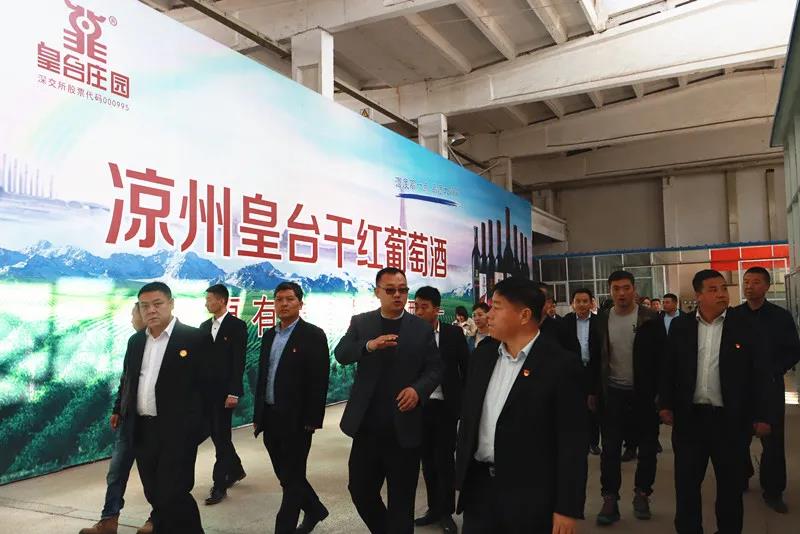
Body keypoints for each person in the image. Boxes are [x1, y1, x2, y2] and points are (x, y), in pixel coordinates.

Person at [455, 277, 587, 533]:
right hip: (480, 490)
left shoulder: (560, 365)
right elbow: (470, 418)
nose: (488, 316)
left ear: (524, 315)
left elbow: (572, 443)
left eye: (497, 307)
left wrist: (567, 507)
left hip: (531, 495)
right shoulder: (482, 356)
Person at [659, 269, 774, 534]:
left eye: (724, 288)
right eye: (713, 289)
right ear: (698, 295)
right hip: (690, 420)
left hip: (730, 421)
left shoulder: (745, 326)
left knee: (731, 490)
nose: (722, 294)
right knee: (686, 487)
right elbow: (668, 368)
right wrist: (664, 404)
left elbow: (761, 374)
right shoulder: (681, 327)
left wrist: (763, 415)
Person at [334, 267, 442, 534]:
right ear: (377, 292)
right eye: (391, 290)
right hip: (367, 427)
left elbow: (435, 369)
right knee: (360, 490)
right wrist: (369, 346)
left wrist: (417, 390)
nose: (398, 295)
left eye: (403, 290)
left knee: (402, 501)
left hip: (404, 428)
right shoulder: (362, 322)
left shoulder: (420, 328)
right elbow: (342, 353)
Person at [116, 282, 210, 534]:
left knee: (173, 492)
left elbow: (209, 390)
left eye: (157, 304)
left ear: (171, 304)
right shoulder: (136, 341)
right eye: (144, 306)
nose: (151, 310)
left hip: (178, 432)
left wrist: (195, 431)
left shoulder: (194, 339)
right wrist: (121, 412)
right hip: (143, 430)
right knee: (155, 494)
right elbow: (127, 381)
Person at [253, 281, 331, 534]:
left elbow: (319, 380)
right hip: (270, 416)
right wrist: (258, 415)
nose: (284, 304)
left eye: (289, 299)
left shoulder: (313, 335)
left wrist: (313, 419)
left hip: (297, 420)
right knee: (285, 475)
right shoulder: (269, 335)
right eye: (279, 300)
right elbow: (263, 376)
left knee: (293, 478)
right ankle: (315, 509)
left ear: (300, 303)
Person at [594, 271, 665, 525]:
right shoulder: (602, 320)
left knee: (647, 448)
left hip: (644, 395)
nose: (621, 293)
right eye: (616, 288)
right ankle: (610, 499)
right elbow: (596, 359)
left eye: (626, 288)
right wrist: (593, 392)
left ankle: (642, 494)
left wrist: (662, 395)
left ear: (634, 289)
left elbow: (663, 358)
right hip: (612, 394)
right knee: (610, 450)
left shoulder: (650, 318)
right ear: (610, 291)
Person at [80, 304, 154, 534]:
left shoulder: (173, 342)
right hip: (129, 421)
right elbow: (126, 378)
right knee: (116, 472)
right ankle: (109, 519)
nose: (132, 319)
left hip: (154, 423)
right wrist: (117, 409)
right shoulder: (135, 341)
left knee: (153, 475)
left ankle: (158, 518)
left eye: (133, 314)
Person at [739, 266, 800, 513]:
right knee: (736, 436)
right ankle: (741, 476)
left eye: (755, 282)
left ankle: (773, 491)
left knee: (772, 441)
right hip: (740, 386)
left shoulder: (779, 316)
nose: (749, 286)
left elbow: (793, 350)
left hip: (769, 386)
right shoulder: (734, 316)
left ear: (766, 286)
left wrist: (774, 370)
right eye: (746, 281)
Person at [413, 286, 469, 534]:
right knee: (426, 460)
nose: (419, 312)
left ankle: (446, 512)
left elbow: (466, 368)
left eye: (424, 307)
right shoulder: (411, 335)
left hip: (446, 405)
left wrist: (465, 403)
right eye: (416, 307)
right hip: (420, 406)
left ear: (437, 309)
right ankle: (433, 509)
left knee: (444, 460)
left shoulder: (453, 334)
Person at [199, 284, 248, 505]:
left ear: (221, 300)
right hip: (206, 393)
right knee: (218, 435)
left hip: (225, 393)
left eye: (209, 299)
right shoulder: (203, 327)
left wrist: (234, 392)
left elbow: (238, 362)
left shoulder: (237, 326)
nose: (206, 303)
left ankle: (219, 485)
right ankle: (236, 469)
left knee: (221, 435)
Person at [563, 287, 602, 456]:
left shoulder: (600, 321)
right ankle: (578, 441)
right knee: (575, 408)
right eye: (578, 301)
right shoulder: (566, 322)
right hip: (573, 371)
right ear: (572, 303)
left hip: (593, 369)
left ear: (591, 303)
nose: (581, 304)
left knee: (593, 408)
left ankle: (593, 442)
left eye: (585, 301)